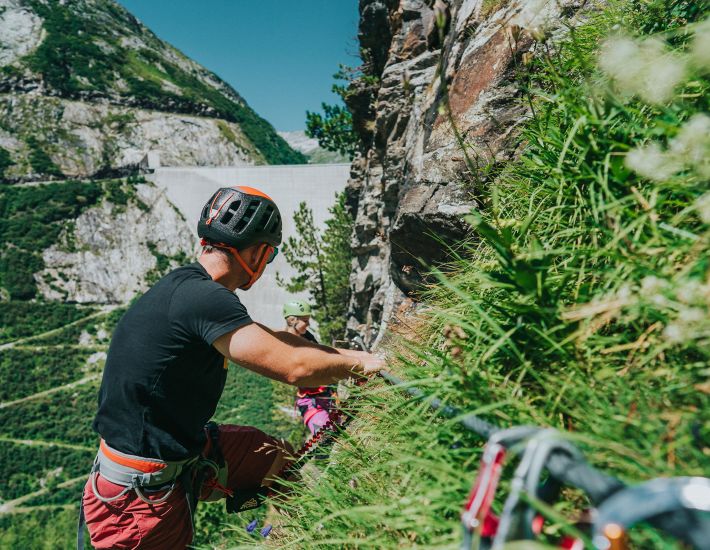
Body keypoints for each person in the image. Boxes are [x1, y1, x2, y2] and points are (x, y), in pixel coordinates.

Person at [80, 186, 384, 550]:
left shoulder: (189, 287)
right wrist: (360, 368)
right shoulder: (204, 298)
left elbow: (269, 338)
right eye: (267, 256)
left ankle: (300, 538)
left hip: (172, 457)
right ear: (256, 252)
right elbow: (295, 368)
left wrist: (346, 354)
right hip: (138, 498)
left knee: (274, 457)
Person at [282, 300, 337, 435]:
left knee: (339, 433)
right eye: (305, 321)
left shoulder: (307, 337)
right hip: (311, 402)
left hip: (327, 396)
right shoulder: (285, 344)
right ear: (292, 320)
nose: (308, 324)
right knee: (326, 437)